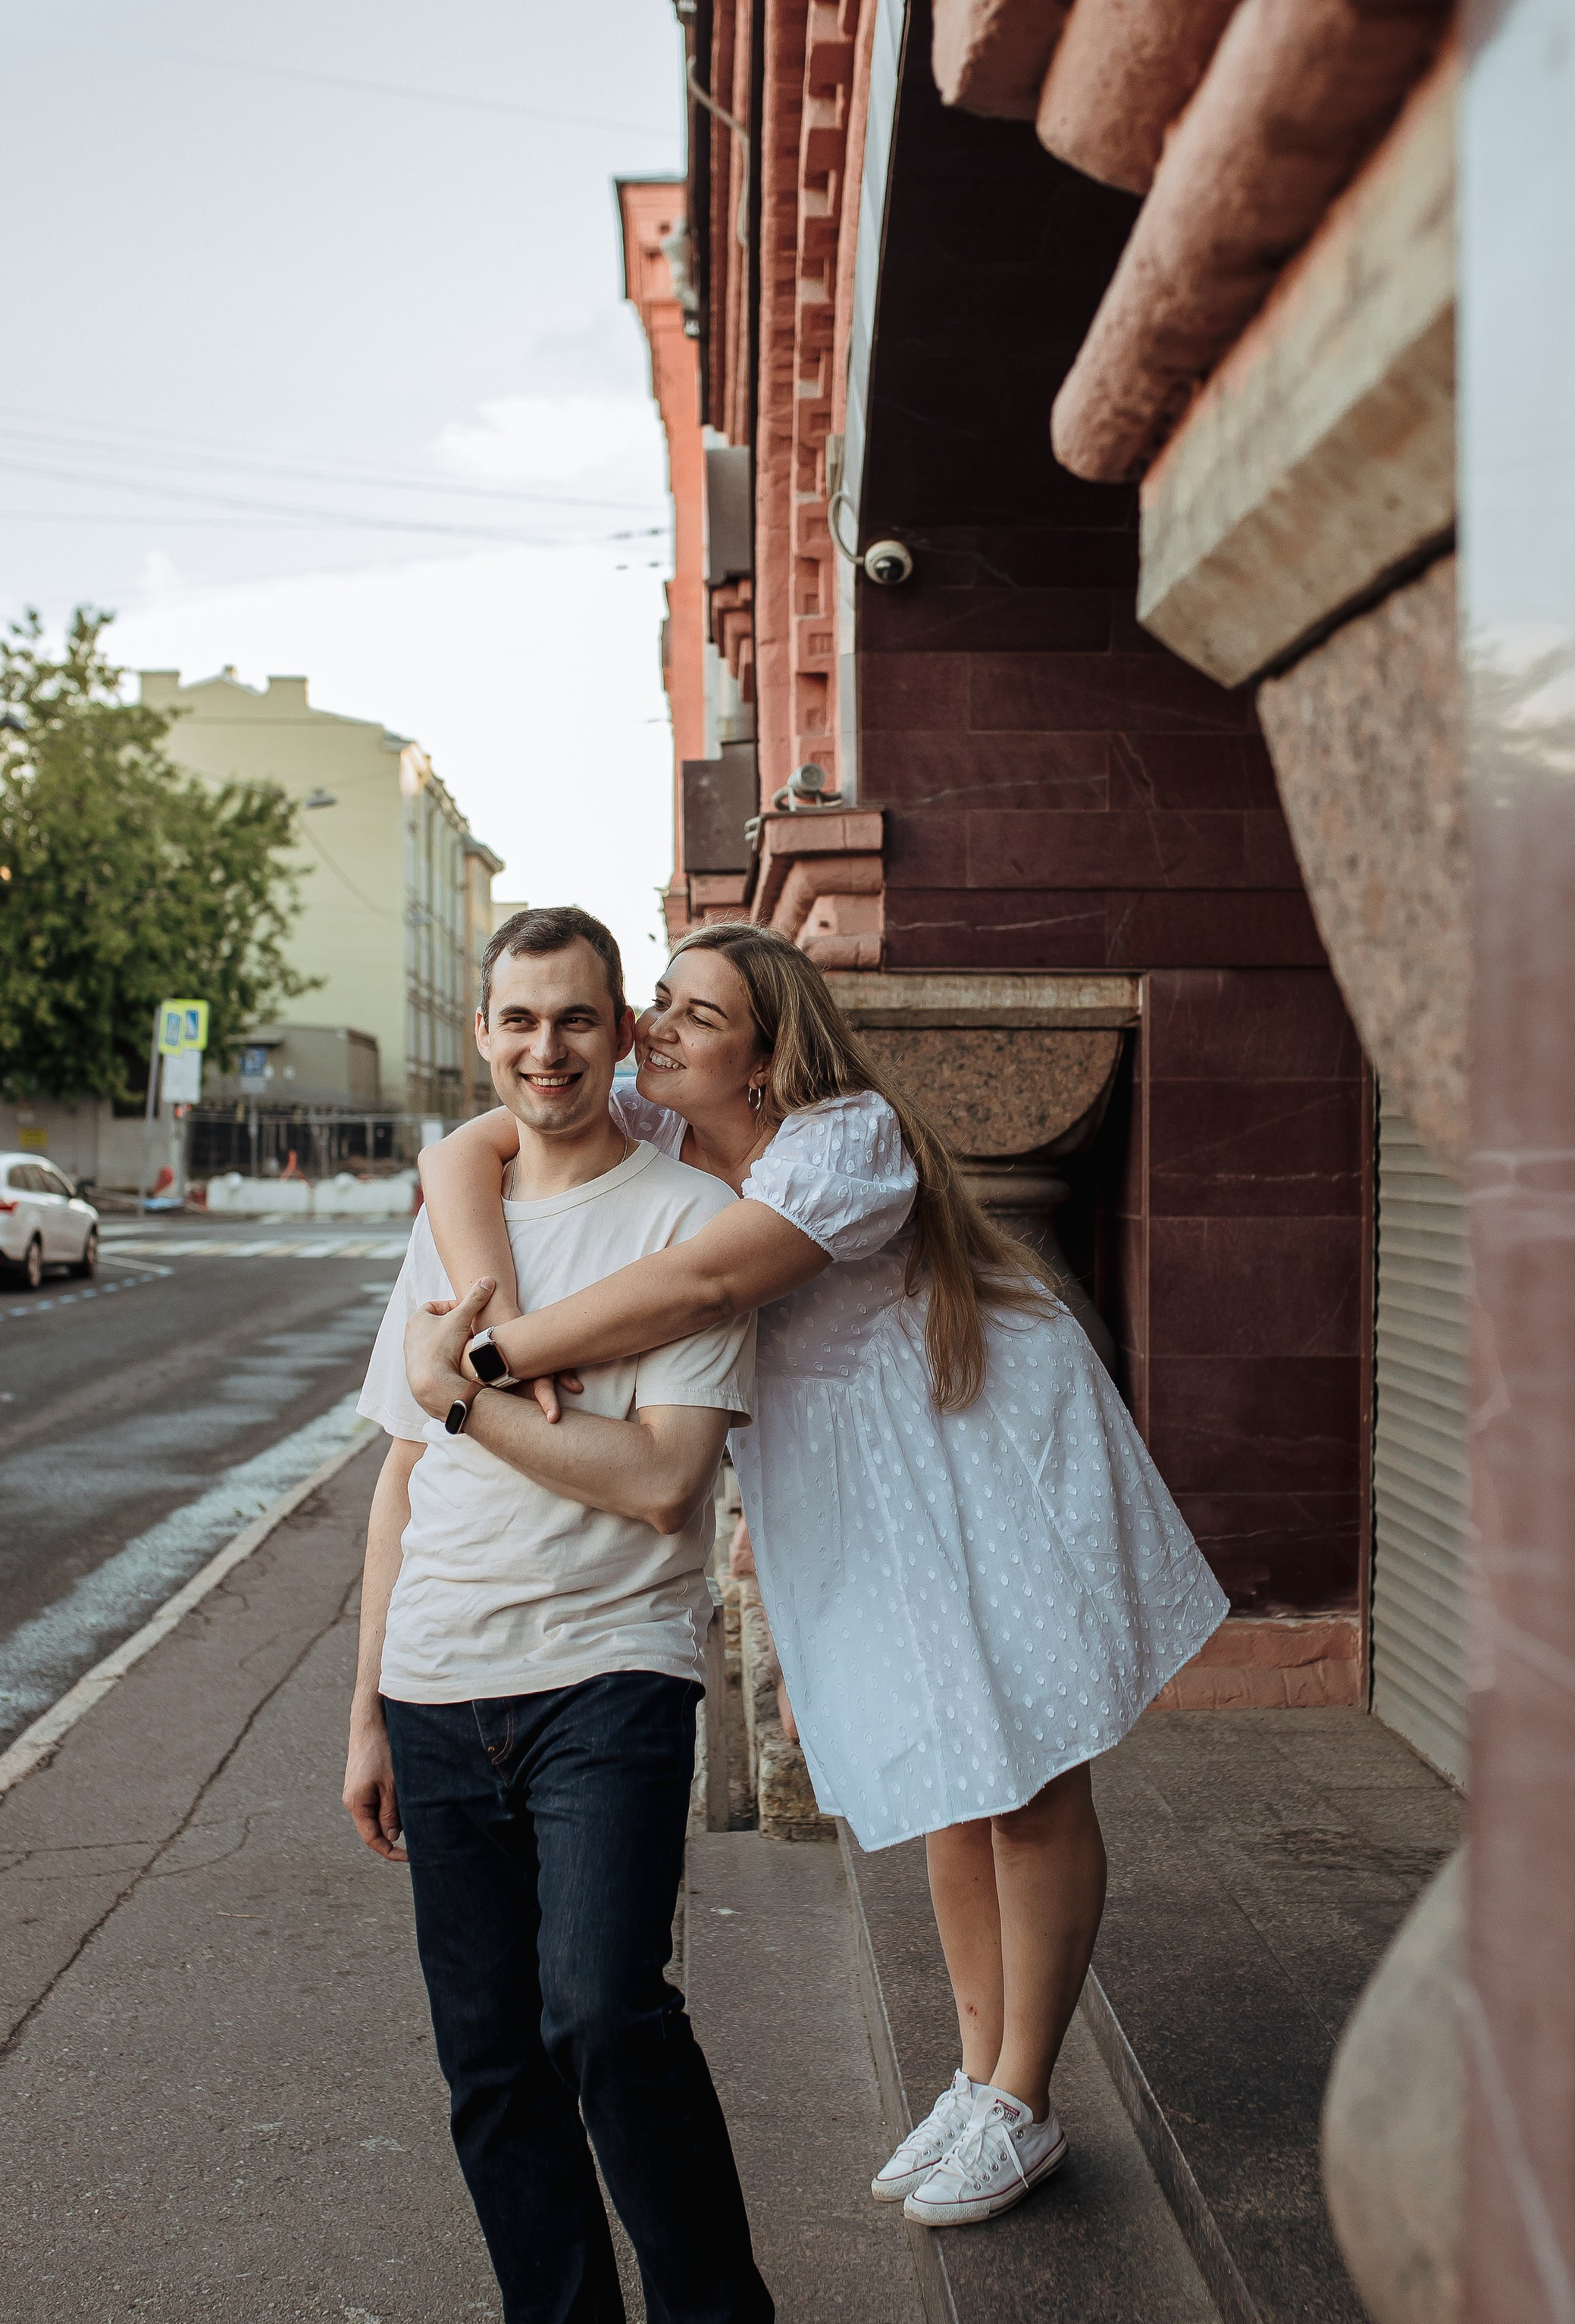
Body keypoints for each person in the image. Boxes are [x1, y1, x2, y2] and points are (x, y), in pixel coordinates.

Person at [406, 922, 1228, 2235]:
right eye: (657, 1004)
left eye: (694, 1014)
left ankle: (1025, 2094)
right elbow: (462, 1148)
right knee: (950, 1778)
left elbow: (705, 1278)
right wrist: (481, 1299)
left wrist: (494, 1359)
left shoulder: (845, 1140)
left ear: (767, 1052)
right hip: (852, 1482)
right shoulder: (663, 1126)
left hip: (974, 1443)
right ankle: (976, 2080)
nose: (654, 1029)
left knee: (1028, 1776)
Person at [345, 906, 788, 2324]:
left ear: (623, 1035)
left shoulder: (691, 1220)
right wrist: (366, 1703)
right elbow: (398, 1472)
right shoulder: (454, 1224)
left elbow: (662, 1477)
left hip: (613, 1668)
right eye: (519, 1021)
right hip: (441, 1678)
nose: (548, 1050)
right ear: (485, 1036)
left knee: (604, 2009)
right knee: (492, 2071)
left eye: (579, 1021)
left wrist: (476, 1398)